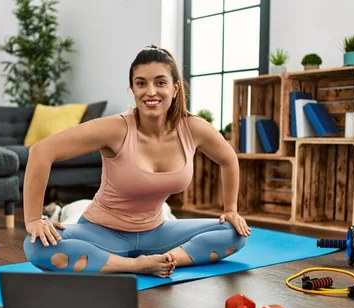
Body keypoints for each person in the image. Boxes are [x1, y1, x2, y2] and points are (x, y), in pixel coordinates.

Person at [23, 45, 250, 278]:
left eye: (160, 82)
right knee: (36, 247)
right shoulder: (115, 128)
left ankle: (168, 260)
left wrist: (231, 209)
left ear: (175, 88)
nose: (150, 92)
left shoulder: (192, 128)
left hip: (158, 233)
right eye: (141, 83)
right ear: (132, 89)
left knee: (235, 232)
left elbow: (228, 159)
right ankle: (137, 265)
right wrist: (33, 219)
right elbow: (41, 151)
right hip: (101, 233)